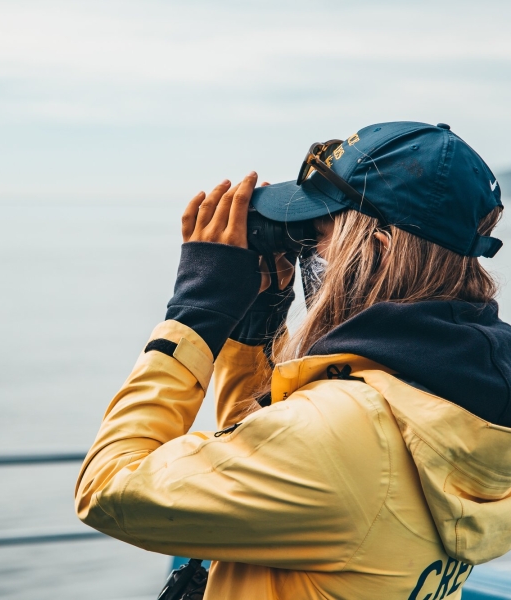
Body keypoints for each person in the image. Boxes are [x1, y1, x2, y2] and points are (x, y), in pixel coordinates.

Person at [75, 121, 511, 599]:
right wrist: (257, 325)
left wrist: (196, 315)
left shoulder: (340, 430)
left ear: (375, 253)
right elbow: (274, 460)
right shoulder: (460, 396)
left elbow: (109, 490)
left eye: (320, 235)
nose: (312, 253)